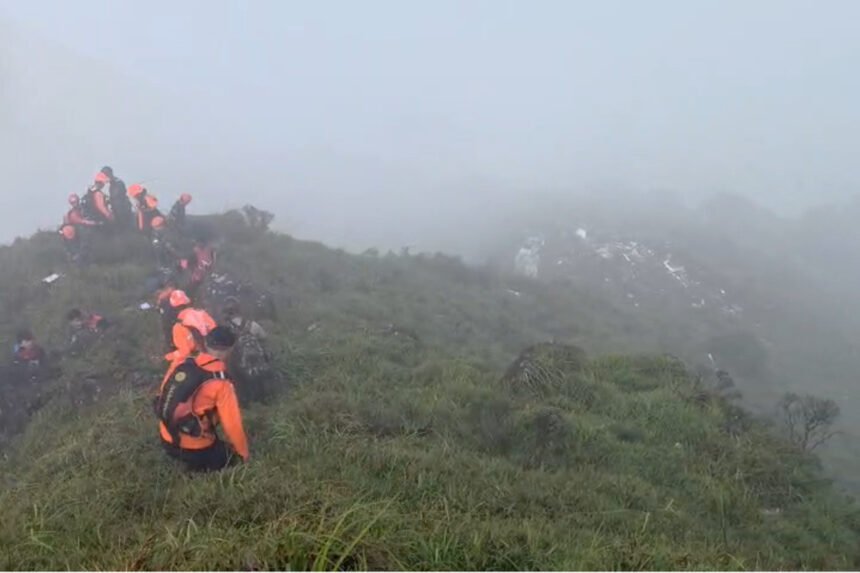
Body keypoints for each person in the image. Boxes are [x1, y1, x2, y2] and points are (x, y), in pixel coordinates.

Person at [156, 326, 249, 471]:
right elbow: (232, 425)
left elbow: (164, 394)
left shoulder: (181, 362)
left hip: (166, 437)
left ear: (206, 343)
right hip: (195, 449)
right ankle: (198, 467)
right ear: (230, 350)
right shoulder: (222, 383)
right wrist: (243, 453)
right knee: (227, 456)